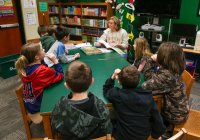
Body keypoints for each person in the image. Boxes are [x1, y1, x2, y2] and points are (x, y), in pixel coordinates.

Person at [51, 61, 112, 140]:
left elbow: (54, 129)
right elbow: (107, 131)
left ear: (66, 85)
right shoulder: (100, 106)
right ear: (92, 81)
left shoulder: (60, 107)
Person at [103, 65, 166, 140]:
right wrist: (156, 135)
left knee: (108, 119)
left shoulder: (116, 95)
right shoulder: (148, 97)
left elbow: (106, 89)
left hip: (122, 136)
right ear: (139, 81)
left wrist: (113, 76)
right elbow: (157, 118)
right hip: (143, 135)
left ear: (119, 82)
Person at [141, 42, 189, 139]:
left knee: (146, 116)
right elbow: (149, 76)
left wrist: (151, 61)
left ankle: (167, 131)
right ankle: (168, 127)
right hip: (180, 110)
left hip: (175, 116)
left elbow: (144, 86)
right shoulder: (172, 69)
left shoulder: (166, 77)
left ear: (164, 58)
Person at [15, 42, 64, 124]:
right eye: (42, 50)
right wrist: (55, 61)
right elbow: (60, 76)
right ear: (36, 57)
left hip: (30, 105)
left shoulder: (25, 67)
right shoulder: (42, 71)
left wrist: (42, 58)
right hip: (39, 107)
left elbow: (44, 67)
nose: (44, 50)